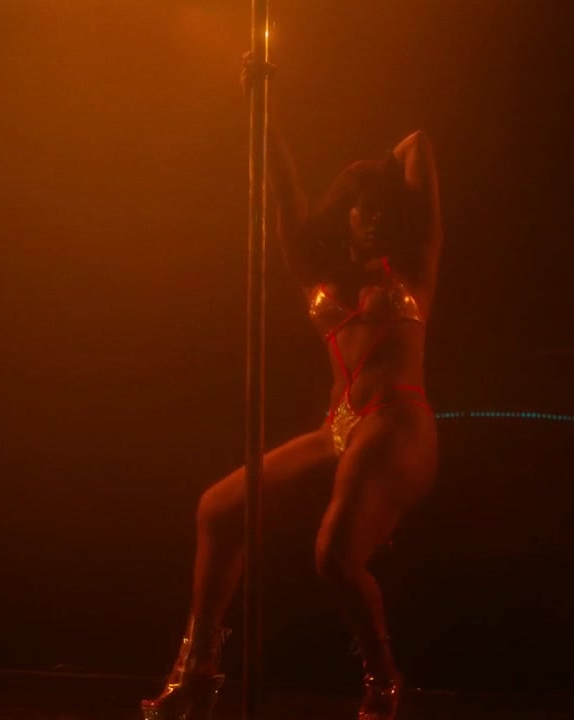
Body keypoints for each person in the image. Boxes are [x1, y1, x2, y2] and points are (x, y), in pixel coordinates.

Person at [141, 51, 442, 720]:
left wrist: (378, 171)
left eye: (380, 206)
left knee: (333, 555)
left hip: (398, 422)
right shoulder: (318, 274)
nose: (370, 216)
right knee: (218, 509)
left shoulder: (415, 265)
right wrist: (263, 108)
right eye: (360, 206)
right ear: (345, 215)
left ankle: (384, 682)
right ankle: (199, 668)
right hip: (341, 430)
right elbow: (285, 193)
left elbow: (417, 145)